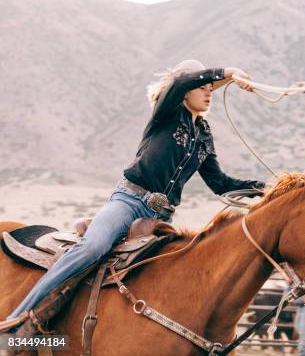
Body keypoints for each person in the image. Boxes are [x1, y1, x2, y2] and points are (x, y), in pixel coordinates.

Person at [2, 59, 266, 333]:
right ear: (187, 91)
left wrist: (269, 189)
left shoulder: (204, 134)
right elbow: (179, 82)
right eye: (203, 86)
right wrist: (229, 74)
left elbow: (220, 183)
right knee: (93, 248)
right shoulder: (168, 111)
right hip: (129, 202)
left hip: (161, 219)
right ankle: (17, 321)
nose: (209, 91)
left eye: (212, 88)